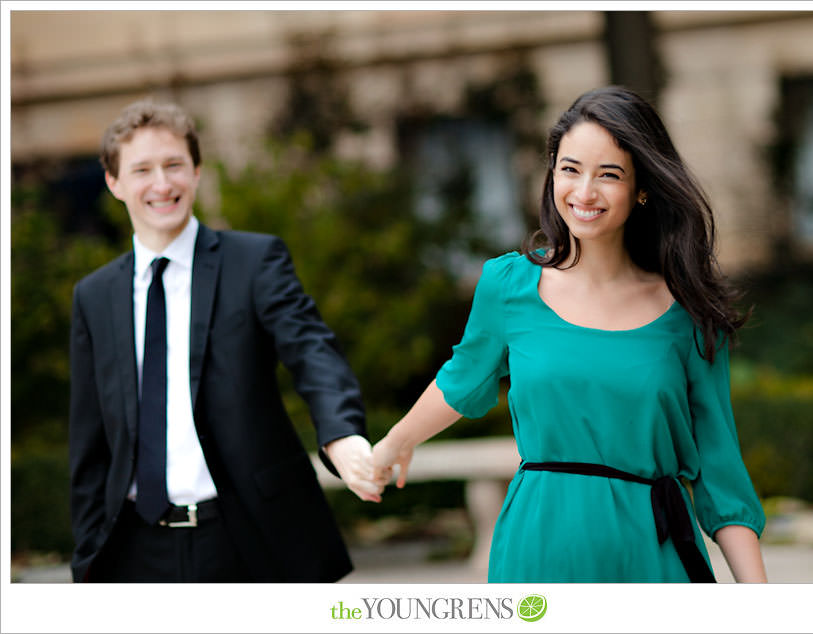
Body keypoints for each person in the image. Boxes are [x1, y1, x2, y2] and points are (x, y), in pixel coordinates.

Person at [372, 86, 768, 583]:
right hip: (537, 553)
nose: (583, 193)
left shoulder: (687, 311)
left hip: (655, 556)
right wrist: (395, 444)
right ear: (552, 173)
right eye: (570, 169)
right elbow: (462, 380)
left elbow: (719, 470)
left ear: (641, 187)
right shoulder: (509, 286)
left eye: (609, 175)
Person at [68, 99, 381, 582]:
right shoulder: (93, 295)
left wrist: (340, 433)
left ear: (196, 171)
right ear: (114, 183)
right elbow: (88, 438)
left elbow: (311, 349)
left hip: (246, 537)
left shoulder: (254, 262)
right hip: (133, 550)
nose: (162, 183)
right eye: (142, 169)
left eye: (174, 165)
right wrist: (89, 554)